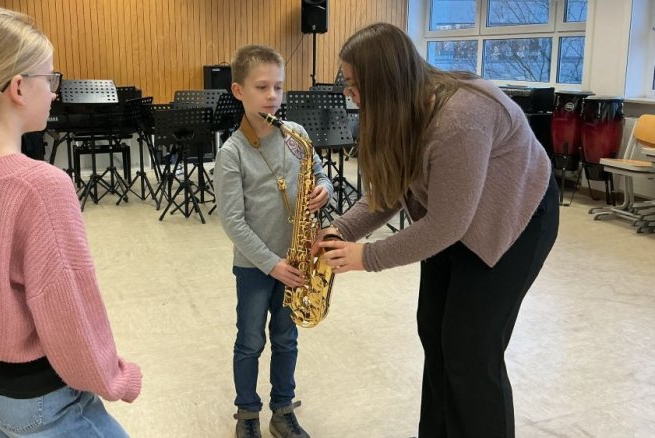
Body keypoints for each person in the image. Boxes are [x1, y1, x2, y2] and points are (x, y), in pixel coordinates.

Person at [314, 23, 559, 438]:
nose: (348, 94)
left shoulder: (461, 119)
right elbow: (390, 190)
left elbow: (447, 224)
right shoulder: (401, 108)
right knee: (434, 328)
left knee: (471, 350)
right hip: (454, 214)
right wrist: (340, 229)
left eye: (354, 85)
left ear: (385, 82)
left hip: (517, 216)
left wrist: (366, 257)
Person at [0, 7, 141, 437]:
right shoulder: (41, 186)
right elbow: (69, 312)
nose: (55, 92)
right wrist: (115, 377)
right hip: (40, 401)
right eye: (50, 79)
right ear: (18, 87)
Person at [214, 44, 333, 438]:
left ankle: (282, 409)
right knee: (250, 342)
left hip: (296, 262)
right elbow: (233, 222)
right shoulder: (231, 153)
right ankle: (247, 414)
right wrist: (272, 264)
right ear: (238, 91)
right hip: (255, 267)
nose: (272, 96)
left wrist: (326, 188)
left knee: (286, 339)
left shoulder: (296, 136)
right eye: (261, 87)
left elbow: (319, 172)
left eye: (278, 87)